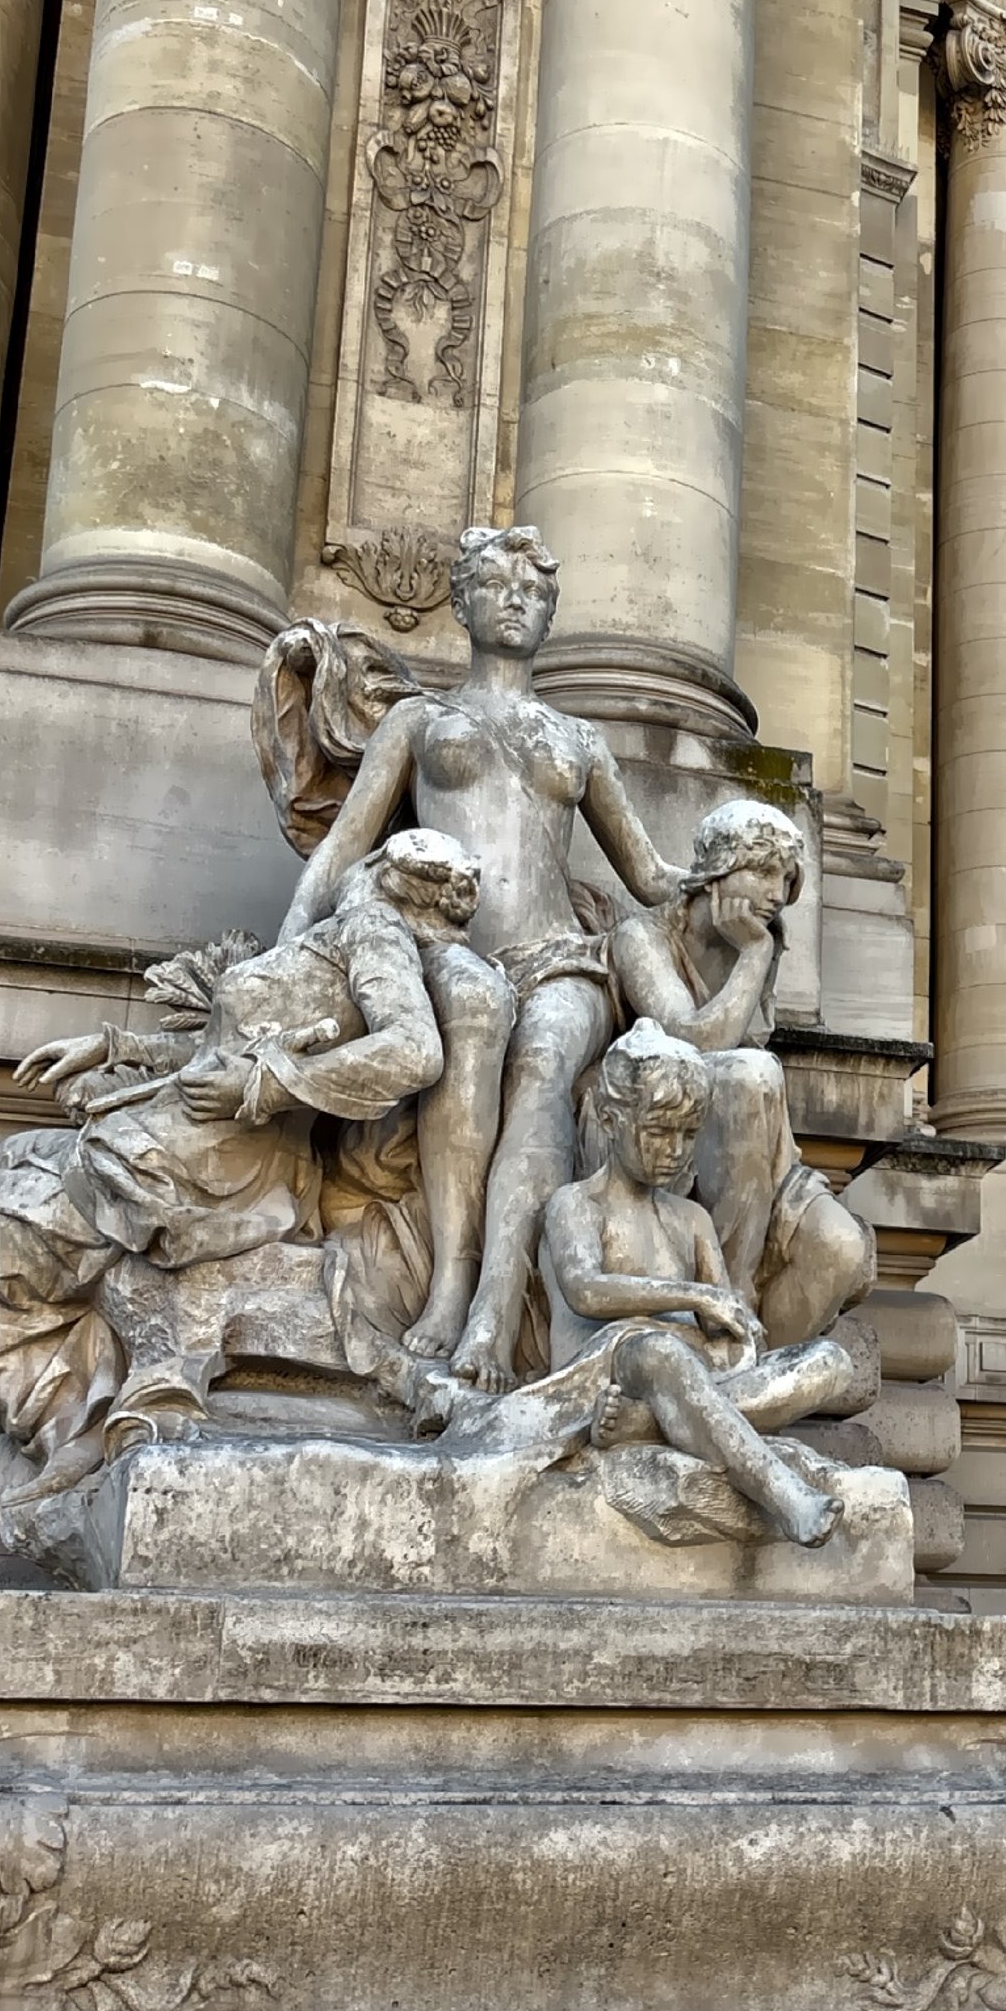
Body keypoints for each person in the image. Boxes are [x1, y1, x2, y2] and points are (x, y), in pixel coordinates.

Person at [0, 830, 483, 1526]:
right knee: (13, 1160)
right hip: (168, 1139)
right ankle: (73, 1415)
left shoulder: (371, 930)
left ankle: (70, 1427)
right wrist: (116, 1046)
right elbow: (217, 1051)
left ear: (384, 877)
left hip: (198, 1164)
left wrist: (266, 1084)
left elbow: (414, 1052)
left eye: (371, 859)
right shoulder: (340, 935)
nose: (350, 866)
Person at [265, 524, 685, 1390]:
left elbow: (650, 874)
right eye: (497, 586)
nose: (517, 602)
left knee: (547, 1055)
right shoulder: (421, 722)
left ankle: (495, 1305)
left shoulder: (579, 738)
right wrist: (280, 959)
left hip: (559, 953)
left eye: (534, 592)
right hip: (447, 948)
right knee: (474, 1020)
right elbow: (345, 847)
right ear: (459, 604)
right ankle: (452, 1282)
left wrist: (740, 892)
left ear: (551, 613)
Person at [457, 1020, 858, 1549]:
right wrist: (696, 1297)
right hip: (603, 1369)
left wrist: (734, 1331)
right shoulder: (575, 1204)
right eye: (658, 1131)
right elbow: (586, 1291)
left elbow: (729, 1329)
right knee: (656, 1352)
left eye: (688, 1135)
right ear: (610, 1118)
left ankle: (647, 1425)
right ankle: (783, 1493)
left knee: (831, 1365)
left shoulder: (691, 1218)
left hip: (690, 1373)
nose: (674, 1150)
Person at [609, 797, 875, 1347]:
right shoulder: (644, 938)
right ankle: (731, 1301)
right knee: (748, 1075)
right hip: (668, 1132)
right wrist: (752, 955)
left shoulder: (762, 943)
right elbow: (693, 1044)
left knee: (841, 1250)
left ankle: (746, 1366)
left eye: (786, 878)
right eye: (762, 871)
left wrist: (755, 953)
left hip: (759, 1152)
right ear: (715, 872)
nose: (777, 894)